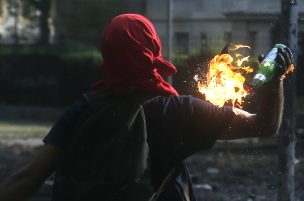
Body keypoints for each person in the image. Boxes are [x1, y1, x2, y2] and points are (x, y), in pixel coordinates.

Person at [0, 14, 293, 201]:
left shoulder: (83, 110)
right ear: (152, 48)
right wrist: (276, 77)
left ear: (107, 55)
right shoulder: (179, 112)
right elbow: (264, 125)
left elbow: (28, 177)